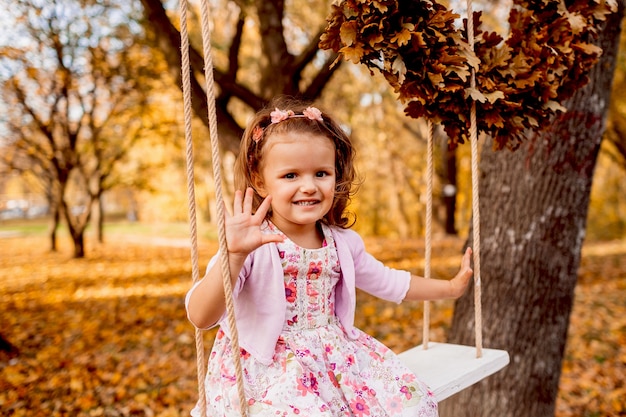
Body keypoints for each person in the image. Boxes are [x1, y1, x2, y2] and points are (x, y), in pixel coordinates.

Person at [185, 97, 473, 416]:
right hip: (268, 366)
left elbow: (389, 281)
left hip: (334, 359)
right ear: (259, 180)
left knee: (412, 401)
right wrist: (233, 255)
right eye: (290, 176)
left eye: (321, 173)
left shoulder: (341, 243)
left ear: (336, 176)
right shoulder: (250, 244)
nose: (308, 186)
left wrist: (449, 289)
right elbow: (201, 316)